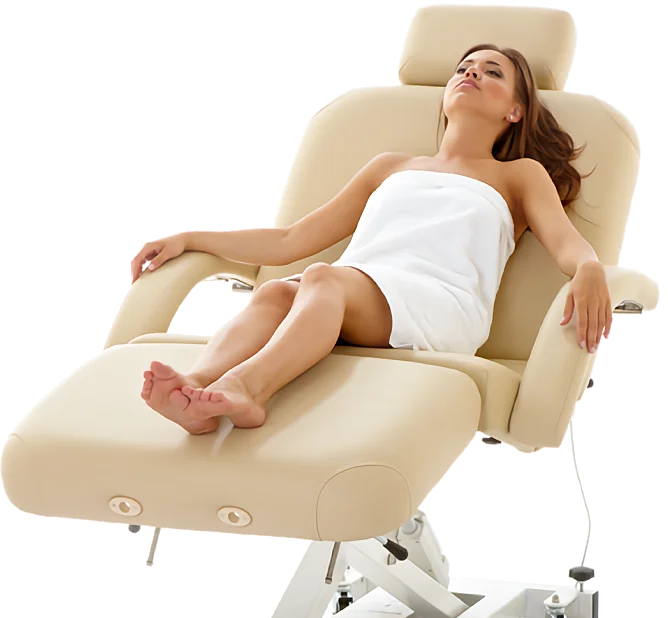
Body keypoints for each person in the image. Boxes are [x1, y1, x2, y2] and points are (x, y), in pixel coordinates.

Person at [131, 45, 612, 434]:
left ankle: (247, 390)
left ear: (515, 110)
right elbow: (290, 240)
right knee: (277, 291)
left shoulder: (518, 175)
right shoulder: (390, 166)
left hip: (441, 305)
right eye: (463, 67)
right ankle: (193, 388)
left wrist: (589, 268)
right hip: (354, 292)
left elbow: (565, 242)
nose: (471, 74)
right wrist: (190, 238)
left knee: (322, 279)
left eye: (492, 73)